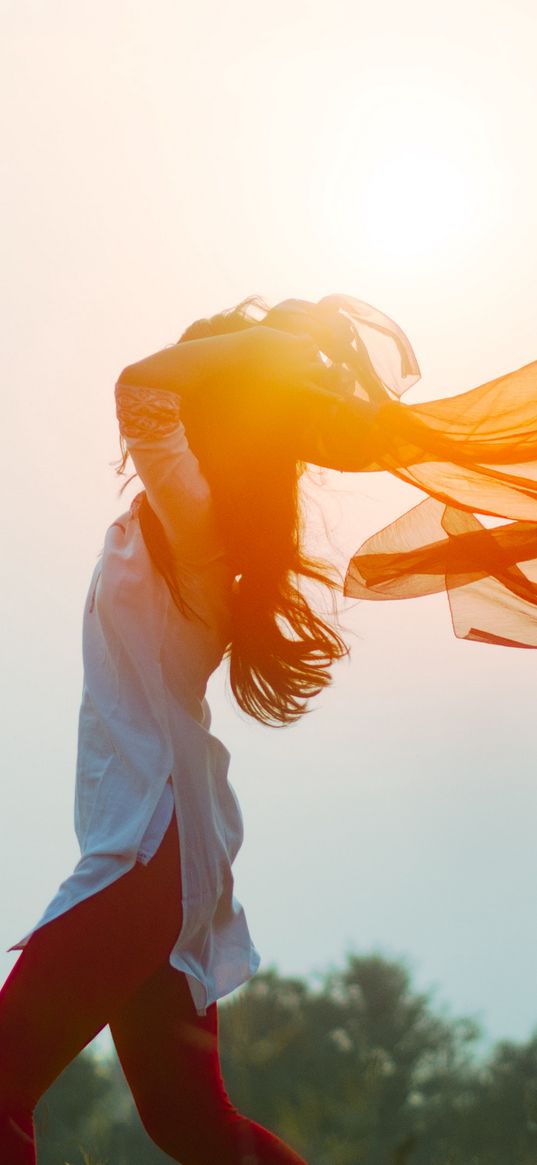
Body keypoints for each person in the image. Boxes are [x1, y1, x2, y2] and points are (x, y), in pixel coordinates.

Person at [1, 293, 536, 1165]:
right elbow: (159, 391)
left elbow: (141, 388)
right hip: (165, 854)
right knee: (191, 1124)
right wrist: (265, 352)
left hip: (147, 851)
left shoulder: (195, 519)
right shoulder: (198, 525)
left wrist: (265, 347)